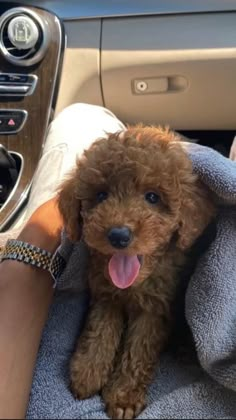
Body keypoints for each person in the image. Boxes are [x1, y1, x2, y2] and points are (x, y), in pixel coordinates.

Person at [0, 103, 235, 419]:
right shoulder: (96, 251)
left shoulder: (176, 249)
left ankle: (128, 385)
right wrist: (92, 359)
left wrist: (128, 386)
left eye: (152, 198)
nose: (120, 223)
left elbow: (153, 321)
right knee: (106, 303)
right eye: (101, 196)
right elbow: (103, 302)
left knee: (78, 117)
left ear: (187, 215)